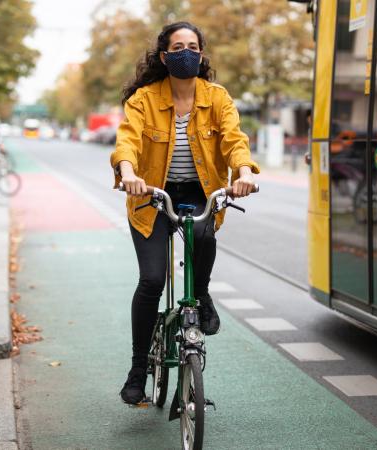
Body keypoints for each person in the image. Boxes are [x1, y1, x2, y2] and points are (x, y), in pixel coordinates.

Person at [111, 22, 259, 405]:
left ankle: (203, 292)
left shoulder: (217, 97)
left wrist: (243, 173)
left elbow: (233, 139)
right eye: (178, 46)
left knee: (205, 235)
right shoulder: (144, 99)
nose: (186, 52)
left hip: (198, 192)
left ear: (202, 54)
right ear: (164, 56)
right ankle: (138, 369)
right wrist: (128, 174)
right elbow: (127, 138)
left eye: (193, 46)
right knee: (152, 280)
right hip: (152, 196)